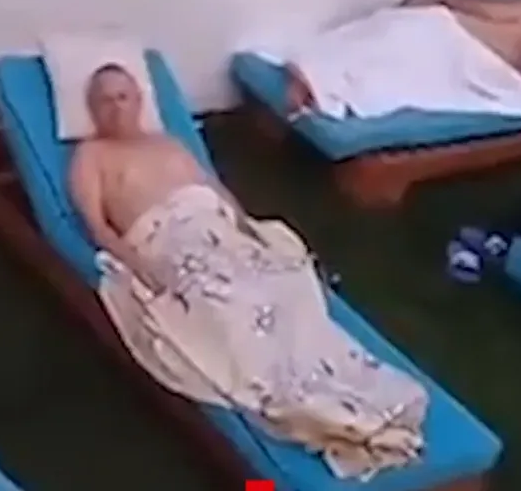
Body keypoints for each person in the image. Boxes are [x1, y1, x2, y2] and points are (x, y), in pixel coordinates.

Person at [69, 64, 428, 480]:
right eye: (104, 100)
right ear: (92, 109)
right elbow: (97, 226)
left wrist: (249, 231)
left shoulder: (170, 144)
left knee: (281, 288)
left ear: (139, 100)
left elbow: (216, 191)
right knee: (222, 307)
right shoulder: (92, 156)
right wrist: (141, 266)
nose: (116, 108)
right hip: (168, 242)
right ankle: (300, 401)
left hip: (219, 231)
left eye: (123, 96)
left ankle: (340, 388)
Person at [284, 0, 521, 178]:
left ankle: (317, 83)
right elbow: (465, 3)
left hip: (443, 59)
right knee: (395, 32)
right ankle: (315, 72)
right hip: (435, 27)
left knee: (388, 77)